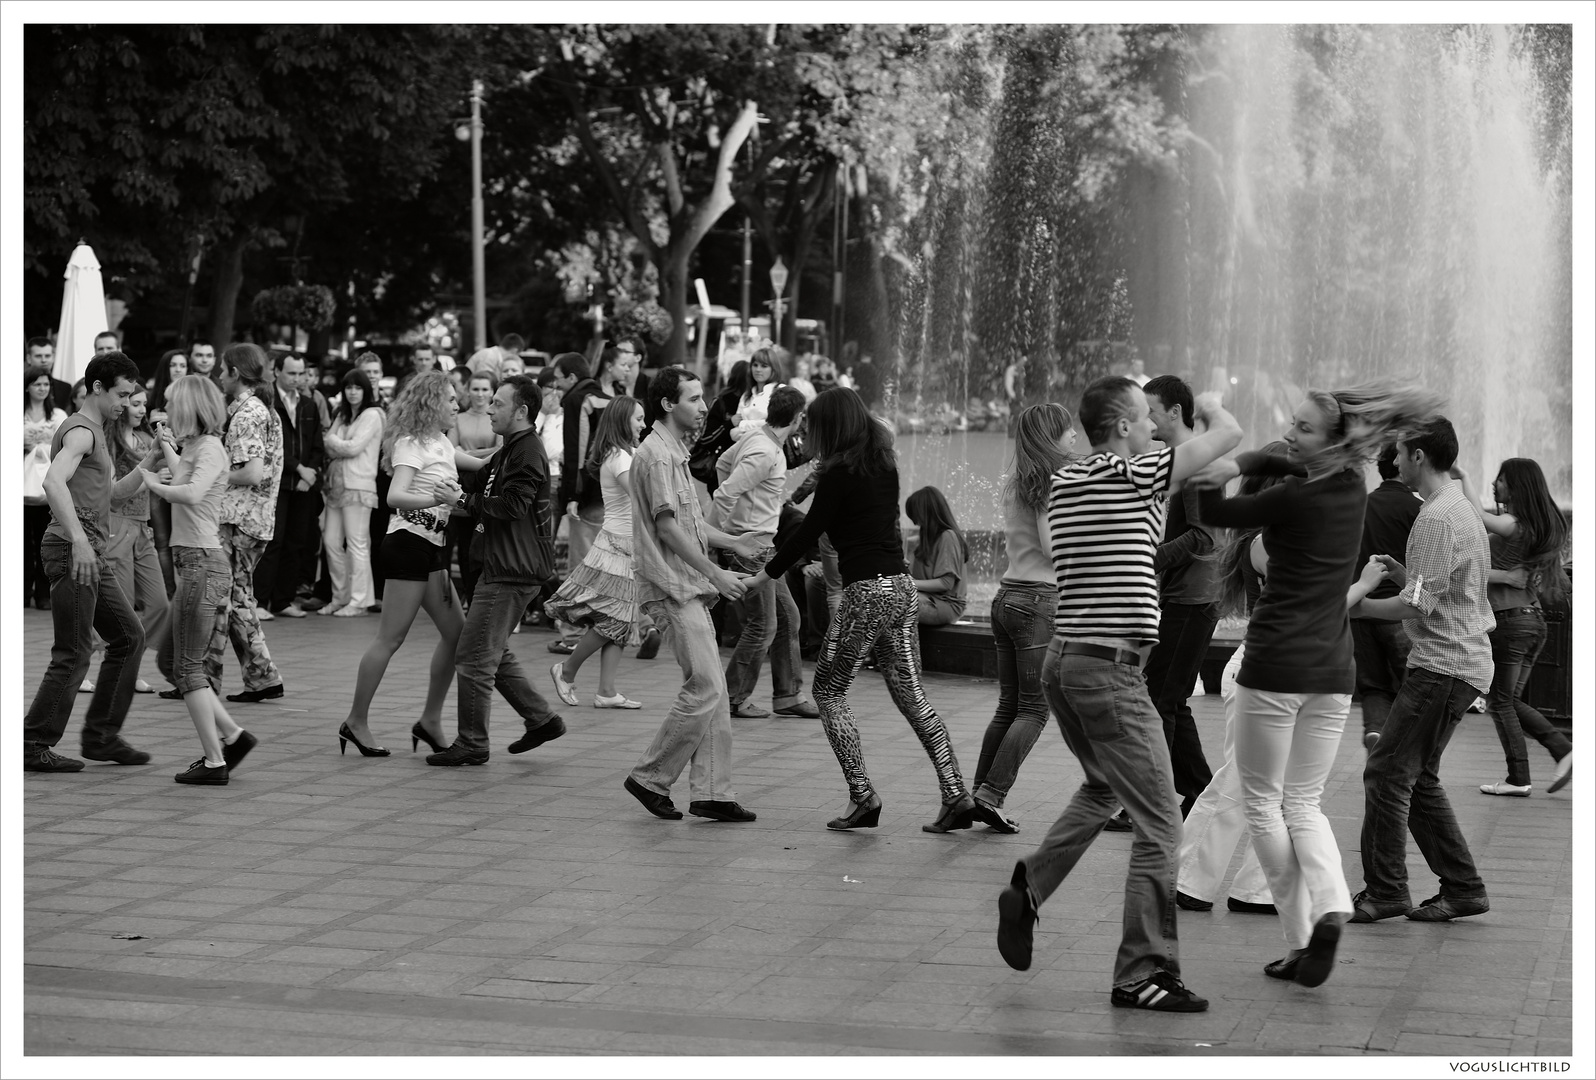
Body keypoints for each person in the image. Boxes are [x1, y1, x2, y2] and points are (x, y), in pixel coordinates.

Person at [994, 375, 1241, 1013]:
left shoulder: (1070, 480)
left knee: (1104, 787)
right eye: (1146, 419)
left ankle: (1030, 887)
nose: (1157, 429)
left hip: (1064, 663)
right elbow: (1228, 436)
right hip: (1111, 670)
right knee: (1161, 826)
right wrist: (1210, 405)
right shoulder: (1135, 476)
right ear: (1125, 427)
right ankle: (1143, 973)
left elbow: (1218, 468)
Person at [1190, 385, 1446, 982]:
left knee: (1263, 806)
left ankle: (1304, 933)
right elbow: (1294, 459)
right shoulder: (1349, 488)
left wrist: (1232, 455)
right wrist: (1272, 456)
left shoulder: (1290, 500)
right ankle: (1331, 904)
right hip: (1334, 674)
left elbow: (1210, 509)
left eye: (1302, 427)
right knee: (1302, 804)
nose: (1290, 432)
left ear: (1329, 441)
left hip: (1275, 668)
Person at [743, 387, 976, 832]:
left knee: (829, 692)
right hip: (903, 589)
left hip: (867, 592)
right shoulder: (885, 465)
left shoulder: (837, 474)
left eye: (815, 425)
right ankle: (955, 794)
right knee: (914, 697)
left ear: (833, 427)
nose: (809, 432)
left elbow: (809, 530)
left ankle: (863, 795)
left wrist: (762, 575)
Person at [1176, 442, 1388, 919]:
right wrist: (1366, 584)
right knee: (1241, 783)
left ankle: (1257, 888)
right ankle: (1188, 878)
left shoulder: (1285, 536)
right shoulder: (1270, 542)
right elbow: (1323, 603)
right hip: (1261, 668)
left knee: (1280, 792)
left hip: (1287, 668)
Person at [1349, 416, 1495, 924]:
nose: (1394, 459)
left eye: (1400, 451)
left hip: (1442, 664)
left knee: (1387, 773)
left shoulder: (1435, 518)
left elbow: (1416, 608)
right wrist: (1403, 575)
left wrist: (1358, 607)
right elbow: (1434, 592)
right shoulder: (1456, 506)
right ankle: (1463, 888)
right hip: (1459, 660)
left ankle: (1386, 890)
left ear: (1417, 456)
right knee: (1417, 777)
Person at [622, 366, 759, 823]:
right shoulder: (659, 456)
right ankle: (650, 777)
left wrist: (733, 543)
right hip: (673, 585)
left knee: (712, 688)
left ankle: (713, 793)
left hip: (685, 584)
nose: (704, 408)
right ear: (667, 404)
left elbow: (692, 526)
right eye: (694, 399)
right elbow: (667, 528)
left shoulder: (671, 451)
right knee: (703, 686)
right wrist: (718, 574)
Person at [425, 373, 567, 767]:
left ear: (521, 411)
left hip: (511, 570)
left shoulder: (527, 452)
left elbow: (513, 507)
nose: (489, 408)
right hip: (502, 565)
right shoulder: (512, 449)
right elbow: (486, 492)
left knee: (472, 659)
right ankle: (542, 720)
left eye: (498, 403)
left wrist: (464, 499)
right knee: (492, 652)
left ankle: (472, 743)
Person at [21, 351, 153, 772]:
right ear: (97, 388)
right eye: (121, 394)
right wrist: (78, 540)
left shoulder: (96, 430)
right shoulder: (81, 431)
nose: (125, 403)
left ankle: (100, 738)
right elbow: (51, 481)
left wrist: (150, 464)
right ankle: (33, 743)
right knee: (74, 652)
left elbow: (110, 493)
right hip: (72, 549)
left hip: (88, 552)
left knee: (129, 638)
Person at [340, 370, 479, 757]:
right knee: (390, 638)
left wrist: (517, 440)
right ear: (432, 402)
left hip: (432, 547)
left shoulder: (441, 441)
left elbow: (477, 461)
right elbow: (396, 497)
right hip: (407, 544)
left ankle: (430, 720)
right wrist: (441, 500)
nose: (458, 405)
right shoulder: (410, 444)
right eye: (451, 399)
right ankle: (355, 721)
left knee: (457, 635)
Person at [139, 375, 258, 784]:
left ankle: (214, 760)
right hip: (194, 562)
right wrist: (167, 450)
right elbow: (184, 474)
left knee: (187, 667)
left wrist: (153, 482)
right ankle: (233, 736)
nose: (166, 409)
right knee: (172, 660)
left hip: (203, 564)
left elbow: (190, 492)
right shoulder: (195, 447)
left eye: (171, 403)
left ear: (188, 406)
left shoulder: (211, 449)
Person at [968, 404, 1076, 835]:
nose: (1075, 438)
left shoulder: (1017, 483)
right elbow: (1055, 548)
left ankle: (974, 795)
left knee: (1009, 707)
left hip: (1007, 598)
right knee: (1034, 710)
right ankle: (990, 795)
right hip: (1037, 602)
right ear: (1053, 436)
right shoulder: (1053, 483)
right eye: (1069, 432)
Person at [1457, 458, 1572, 796]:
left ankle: (1538, 766)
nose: (1496, 484)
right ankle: (1534, 767)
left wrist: (1463, 474)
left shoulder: (1515, 523)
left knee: (1500, 701)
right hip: (1532, 622)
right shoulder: (1539, 528)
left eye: (1502, 480)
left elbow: (1477, 518)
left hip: (1510, 623)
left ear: (1519, 485)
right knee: (1508, 700)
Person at [710, 385, 820, 720]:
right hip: (750, 547)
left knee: (788, 619)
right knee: (763, 625)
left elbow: (721, 463)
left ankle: (787, 696)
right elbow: (725, 493)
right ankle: (733, 698)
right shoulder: (764, 452)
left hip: (763, 546)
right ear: (798, 417)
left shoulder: (760, 439)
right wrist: (716, 536)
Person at [1142, 375, 1220, 818]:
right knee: (1170, 698)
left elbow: (1205, 537)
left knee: (1159, 699)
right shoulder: (1181, 460)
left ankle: (1152, 803)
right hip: (1186, 596)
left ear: (1175, 412)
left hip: (1193, 598)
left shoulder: (1196, 465)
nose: (1146, 418)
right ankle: (1199, 792)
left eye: (1151, 410)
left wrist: (1149, 559)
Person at [546, 397, 646, 709]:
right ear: (622, 422)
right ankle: (567, 669)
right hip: (617, 548)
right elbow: (644, 497)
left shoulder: (625, 454)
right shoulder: (620, 458)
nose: (643, 425)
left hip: (621, 546)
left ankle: (606, 690)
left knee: (619, 619)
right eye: (638, 419)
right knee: (616, 619)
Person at [208, 343, 286, 704]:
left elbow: (252, 472)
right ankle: (262, 676)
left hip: (240, 519)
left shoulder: (248, 413)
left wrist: (213, 473)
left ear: (236, 373)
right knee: (237, 598)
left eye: (224, 370)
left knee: (222, 598)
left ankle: (202, 678)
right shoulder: (260, 409)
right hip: (252, 519)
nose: (220, 376)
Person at [1350, 445, 1421, 750]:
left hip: (1362, 610)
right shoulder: (1420, 510)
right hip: (1400, 613)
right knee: (1414, 686)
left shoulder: (1359, 506)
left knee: (1374, 686)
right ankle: (1404, 751)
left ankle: (1376, 730)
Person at [104, 383, 169, 694]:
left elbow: (171, 474)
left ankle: (130, 664)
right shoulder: (110, 440)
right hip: (117, 525)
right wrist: (152, 481)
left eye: (144, 403)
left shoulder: (147, 440)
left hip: (143, 527)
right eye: (135, 403)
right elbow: (114, 495)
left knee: (159, 604)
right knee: (123, 605)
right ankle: (102, 663)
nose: (142, 409)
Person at [256, 353, 325, 618]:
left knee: (297, 543)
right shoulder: (267, 402)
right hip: (278, 482)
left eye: (301, 373)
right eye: (291, 373)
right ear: (276, 372)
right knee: (272, 542)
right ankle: (260, 602)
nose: (297, 379)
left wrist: (311, 474)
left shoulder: (308, 405)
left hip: (305, 485)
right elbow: (273, 446)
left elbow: (317, 445)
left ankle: (283, 601)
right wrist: (299, 469)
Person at [319, 368, 385, 617]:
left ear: (365, 390)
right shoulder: (343, 414)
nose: (353, 392)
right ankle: (341, 597)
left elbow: (353, 447)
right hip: (336, 485)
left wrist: (335, 443)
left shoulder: (373, 414)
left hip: (359, 485)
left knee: (357, 544)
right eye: (348, 387)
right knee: (331, 542)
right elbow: (331, 444)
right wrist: (338, 444)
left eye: (357, 387)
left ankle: (359, 600)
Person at [555, 352, 611, 575]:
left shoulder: (577, 400)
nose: (556, 384)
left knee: (582, 561)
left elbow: (575, 452)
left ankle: (581, 607)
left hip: (586, 491)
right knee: (605, 558)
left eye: (558, 378)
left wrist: (572, 495)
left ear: (571, 377)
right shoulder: (607, 399)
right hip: (610, 487)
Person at [448, 370, 500, 605]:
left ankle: (483, 600)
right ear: (468, 390)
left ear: (492, 392)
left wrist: (467, 453)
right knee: (465, 548)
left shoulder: (497, 418)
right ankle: (469, 597)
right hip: (462, 486)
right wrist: (482, 453)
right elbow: (450, 449)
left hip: (488, 486)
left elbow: (500, 450)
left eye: (485, 389)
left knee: (485, 546)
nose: (480, 394)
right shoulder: (458, 418)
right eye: (475, 389)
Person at [24, 363, 70, 609]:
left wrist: (40, 441)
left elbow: (63, 443)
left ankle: (44, 593)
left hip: (47, 486)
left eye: (45, 384)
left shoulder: (58, 415)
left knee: (45, 539)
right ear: (27, 387)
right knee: (21, 541)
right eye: (37, 384)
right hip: (21, 484)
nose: (42, 388)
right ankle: (22, 590)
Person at [906, 486, 969, 627]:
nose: (915, 523)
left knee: (895, 603)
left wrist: (908, 584)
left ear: (927, 513)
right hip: (928, 598)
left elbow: (946, 583)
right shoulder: (925, 540)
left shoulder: (948, 537)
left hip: (946, 605)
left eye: (916, 517)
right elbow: (913, 575)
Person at [729, 347, 786, 440]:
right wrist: (761, 425)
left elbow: (776, 425)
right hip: (744, 450)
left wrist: (743, 425)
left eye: (764, 366)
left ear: (774, 368)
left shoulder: (781, 391)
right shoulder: (746, 395)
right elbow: (734, 433)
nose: (758, 369)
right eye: (755, 365)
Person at [27, 336, 74, 412]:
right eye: (38, 356)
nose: (43, 360)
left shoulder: (66, 388)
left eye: (47, 356)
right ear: (29, 358)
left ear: (53, 357)